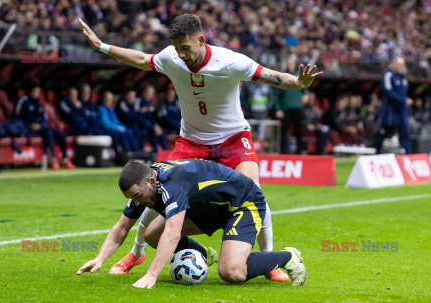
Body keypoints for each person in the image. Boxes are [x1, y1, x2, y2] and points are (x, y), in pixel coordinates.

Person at [79, 13, 322, 282]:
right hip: (191, 140)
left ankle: (269, 259)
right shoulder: (171, 56)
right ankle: (137, 253)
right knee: (153, 193)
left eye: (186, 48)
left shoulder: (228, 61)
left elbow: (271, 77)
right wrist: (102, 46)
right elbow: (140, 59)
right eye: (177, 48)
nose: (181, 54)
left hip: (232, 138)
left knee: (255, 193)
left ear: (201, 40)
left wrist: (298, 83)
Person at [76, 159, 306, 288]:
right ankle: (204, 254)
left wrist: (151, 275)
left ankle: (287, 256)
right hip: (209, 206)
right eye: (131, 198)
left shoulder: (173, 185)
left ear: (151, 181)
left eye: (137, 195)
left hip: (242, 202)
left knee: (231, 272)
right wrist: (99, 258)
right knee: (151, 235)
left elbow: (173, 233)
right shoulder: (146, 186)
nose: (136, 202)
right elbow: (121, 228)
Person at [15, 86, 75, 170]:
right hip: (28, 129)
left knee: (61, 134)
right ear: (30, 91)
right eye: (35, 91)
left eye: (38, 92)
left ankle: (65, 159)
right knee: (48, 133)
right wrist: (29, 125)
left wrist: (40, 126)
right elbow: (17, 116)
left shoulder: (40, 105)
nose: (36, 93)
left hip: (41, 128)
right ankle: (52, 159)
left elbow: (44, 120)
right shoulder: (24, 101)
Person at [375, 57, 412, 154]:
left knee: (405, 133)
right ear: (394, 65)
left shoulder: (403, 77)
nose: (401, 67)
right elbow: (388, 92)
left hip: (402, 111)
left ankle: (408, 155)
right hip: (390, 112)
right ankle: (376, 154)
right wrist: (403, 100)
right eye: (399, 64)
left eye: (402, 64)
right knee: (383, 133)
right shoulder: (389, 75)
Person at [274, 57, 308, 154]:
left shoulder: (299, 75)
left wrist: (306, 95)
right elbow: (277, 95)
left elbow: (305, 89)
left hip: (297, 107)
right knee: (284, 132)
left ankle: (299, 152)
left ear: (294, 64)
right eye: (288, 64)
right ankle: (283, 153)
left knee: (299, 131)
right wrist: (278, 109)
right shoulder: (282, 76)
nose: (290, 66)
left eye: (292, 63)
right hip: (285, 108)